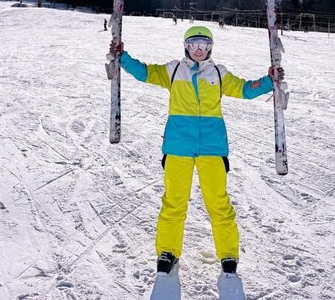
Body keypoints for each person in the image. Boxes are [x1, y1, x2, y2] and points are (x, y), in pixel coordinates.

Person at [109, 25, 285, 284]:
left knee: (219, 203)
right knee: (174, 202)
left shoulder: (219, 73)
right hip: (178, 147)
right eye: (193, 44)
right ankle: (168, 252)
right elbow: (144, 72)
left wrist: (270, 81)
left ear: (210, 47)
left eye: (203, 44)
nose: (199, 49)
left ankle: (228, 255)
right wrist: (122, 57)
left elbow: (246, 89)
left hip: (212, 148)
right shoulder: (172, 71)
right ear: (186, 47)